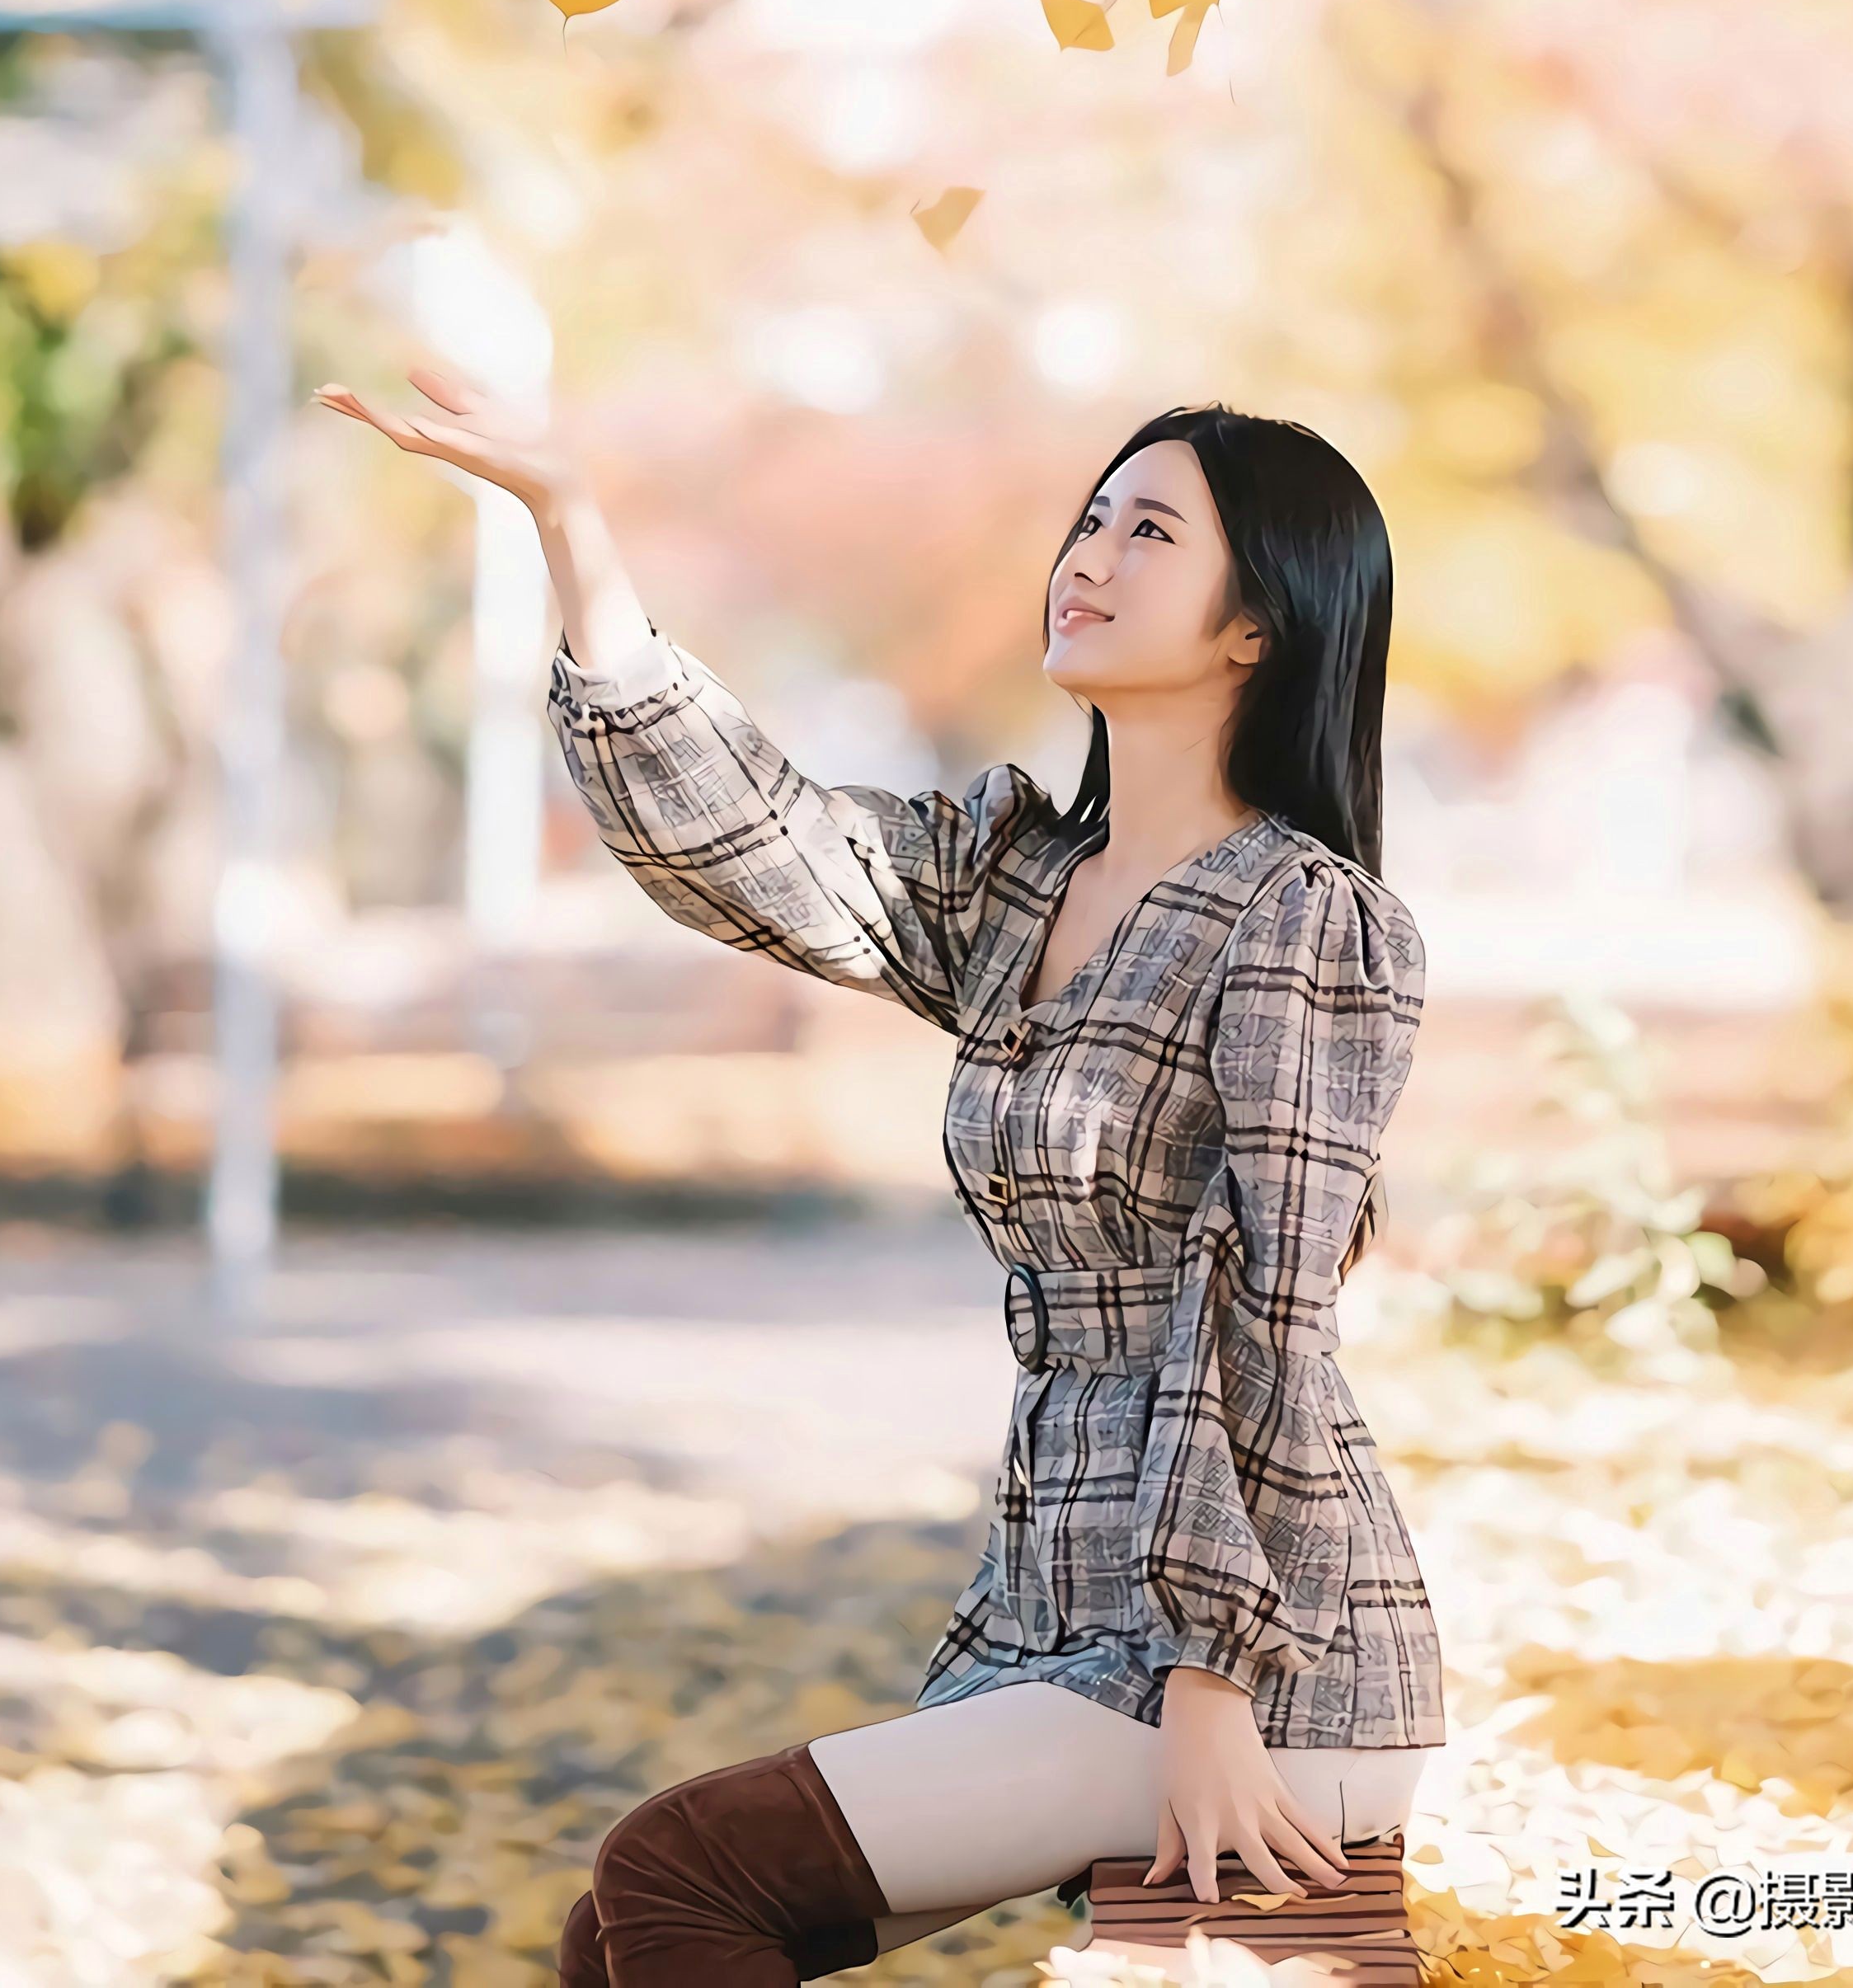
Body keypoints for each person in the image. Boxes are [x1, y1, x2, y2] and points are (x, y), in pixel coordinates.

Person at [315, 364, 1449, 1983]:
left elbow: (1266, 1300)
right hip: (1079, 1634)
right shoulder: (1017, 884)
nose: (1091, 554)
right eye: (1088, 518)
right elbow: (752, 843)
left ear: (1259, 625)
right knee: (618, 1931)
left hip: (1252, 1664)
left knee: (677, 1869)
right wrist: (572, 525)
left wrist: (1214, 1678)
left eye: (1151, 530)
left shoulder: (1300, 919)